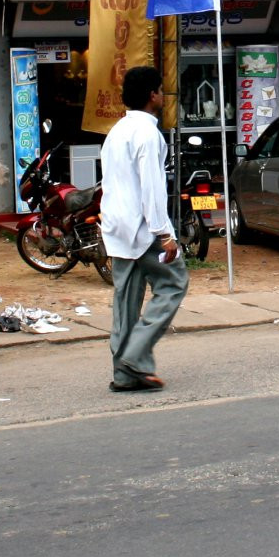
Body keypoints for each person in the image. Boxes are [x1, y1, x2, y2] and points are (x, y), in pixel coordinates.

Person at [99, 65, 188, 393]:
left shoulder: (116, 131)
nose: (163, 96)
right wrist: (165, 234)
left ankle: (124, 374)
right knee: (175, 282)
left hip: (116, 226)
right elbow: (152, 189)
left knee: (126, 300)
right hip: (142, 227)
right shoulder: (148, 134)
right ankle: (136, 356)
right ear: (152, 95)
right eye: (161, 90)